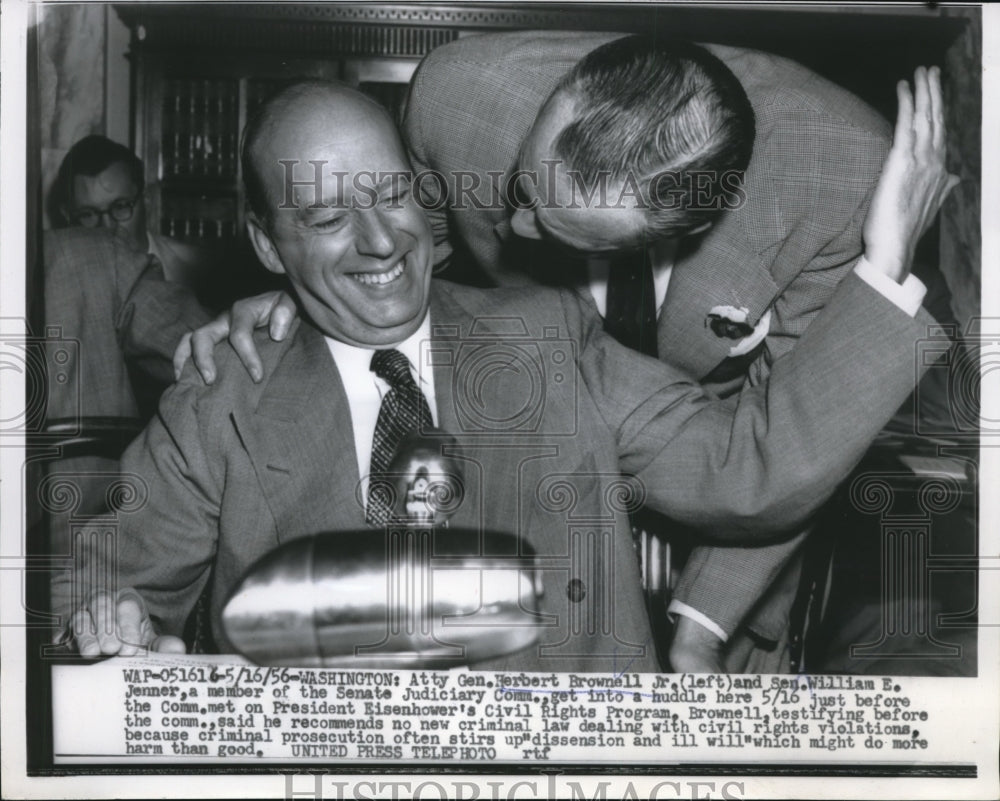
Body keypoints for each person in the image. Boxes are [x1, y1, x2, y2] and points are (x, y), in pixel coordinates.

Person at [60, 74, 953, 671]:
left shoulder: (545, 334)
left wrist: (882, 265)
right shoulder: (223, 399)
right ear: (265, 244)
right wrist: (112, 626)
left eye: (395, 194)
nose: (381, 240)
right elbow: (99, 582)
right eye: (328, 215)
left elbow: (749, 467)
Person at [49, 135, 222, 306]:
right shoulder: (56, 285)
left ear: (147, 200)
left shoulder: (200, 274)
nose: (108, 227)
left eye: (120, 206)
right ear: (68, 216)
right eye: (88, 214)